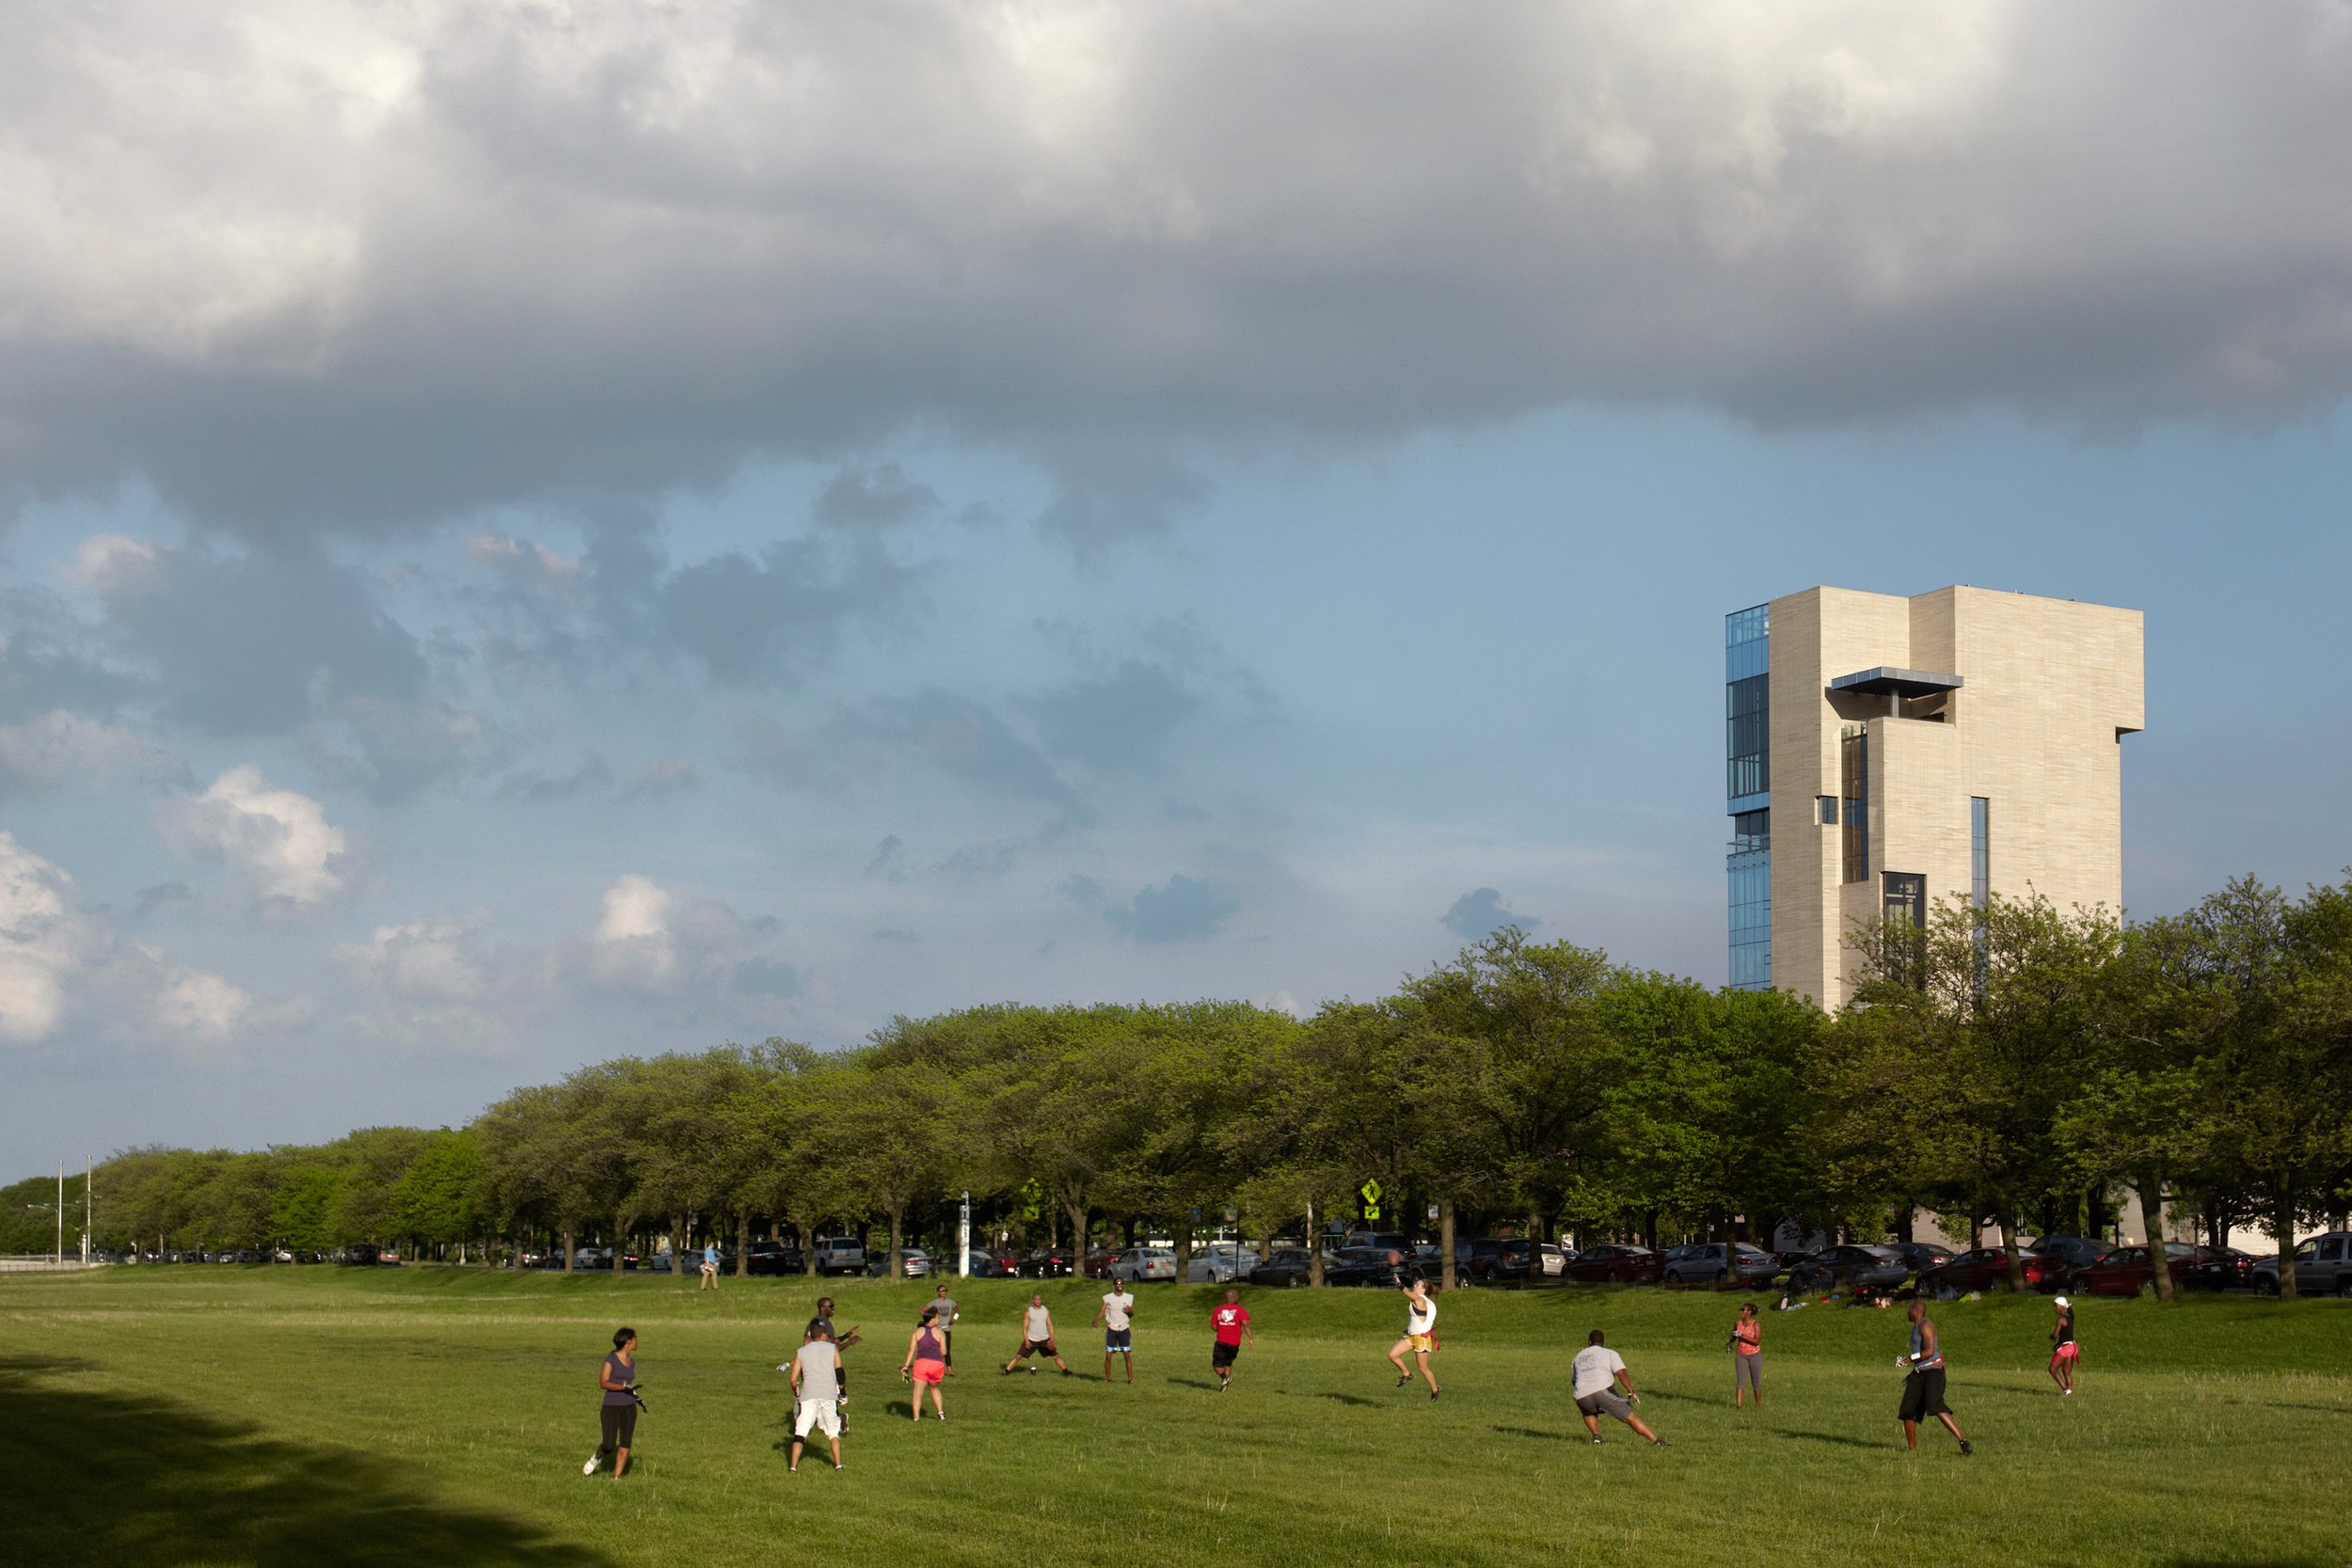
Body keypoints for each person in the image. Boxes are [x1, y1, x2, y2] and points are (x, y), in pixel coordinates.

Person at [1897, 1299, 1973, 1454]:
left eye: (1909, 1309)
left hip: (1934, 1372)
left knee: (1934, 1404)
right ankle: (1912, 1450)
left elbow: (1929, 1352)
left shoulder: (1927, 1326)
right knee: (1907, 1411)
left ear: (1916, 1311)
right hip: (1919, 1373)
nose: (1907, 1312)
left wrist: (1909, 1358)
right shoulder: (1915, 1328)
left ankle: (1963, 1442)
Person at [1570, 1329, 1667, 1447]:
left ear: (1589, 1341)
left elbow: (1574, 1380)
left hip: (1581, 1395)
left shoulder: (1578, 1357)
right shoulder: (1610, 1353)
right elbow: (1621, 1373)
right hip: (1602, 1390)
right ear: (1603, 1342)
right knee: (1631, 1417)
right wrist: (1630, 1390)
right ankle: (1656, 1441)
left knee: (1588, 1412)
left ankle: (1596, 1437)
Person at [585, 1326, 640, 1478]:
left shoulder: (632, 1362)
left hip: (629, 1406)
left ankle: (616, 1479)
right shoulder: (611, 1359)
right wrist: (622, 1387)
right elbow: (603, 1382)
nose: (637, 1341)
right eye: (635, 1338)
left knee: (625, 1442)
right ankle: (596, 1458)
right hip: (611, 1407)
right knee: (609, 1445)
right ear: (628, 1341)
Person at [789, 1323, 845, 1471]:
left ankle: (793, 1467)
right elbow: (839, 1371)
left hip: (808, 1395)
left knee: (800, 1433)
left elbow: (793, 1379)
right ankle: (838, 1465)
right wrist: (842, 1391)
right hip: (828, 1394)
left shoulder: (801, 1351)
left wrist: (797, 1395)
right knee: (833, 1432)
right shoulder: (832, 1348)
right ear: (823, 1335)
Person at [807, 1297, 862, 1433]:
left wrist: (846, 1336)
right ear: (822, 1308)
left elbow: (831, 1343)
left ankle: (838, 1419)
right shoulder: (824, 1323)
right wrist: (849, 1342)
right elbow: (831, 1346)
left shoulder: (816, 1322)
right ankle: (839, 1418)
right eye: (830, 1306)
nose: (833, 1309)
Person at [1386, 1275, 1440, 1398]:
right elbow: (1420, 1318)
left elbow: (1406, 1292)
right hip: (1412, 1336)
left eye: (1418, 1285)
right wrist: (1410, 1328)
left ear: (1423, 1290)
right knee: (1392, 1355)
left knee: (1423, 1368)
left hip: (1422, 1339)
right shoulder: (1424, 1301)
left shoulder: (1420, 1299)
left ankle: (1435, 1389)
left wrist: (1399, 1283)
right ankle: (1406, 1373)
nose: (1415, 1285)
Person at [1003, 1292, 1073, 1375]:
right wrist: (1026, 1340)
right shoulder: (1029, 1312)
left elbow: (1050, 1325)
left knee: (1056, 1356)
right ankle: (1006, 1371)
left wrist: (1053, 1339)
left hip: (1045, 1339)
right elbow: (1025, 1327)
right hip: (1031, 1339)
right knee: (1018, 1356)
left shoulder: (1045, 1310)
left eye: (1039, 1299)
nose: (1038, 1301)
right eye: (1036, 1299)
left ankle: (1066, 1372)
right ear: (1032, 1301)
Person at [901, 1306, 949, 1420]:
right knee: (934, 1388)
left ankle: (916, 1418)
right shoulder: (940, 1333)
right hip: (936, 1365)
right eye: (938, 1317)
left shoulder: (917, 1332)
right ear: (932, 1319)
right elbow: (943, 1352)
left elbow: (911, 1350)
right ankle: (940, 1413)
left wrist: (906, 1366)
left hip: (921, 1364)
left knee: (917, 1393)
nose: (939, 1320)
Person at [1093, 1279, 1137, 1383]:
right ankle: (1107, 1378)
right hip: (1112, 1328)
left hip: (1124, 1328)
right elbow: (1102, 1311)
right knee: (1108, 1355)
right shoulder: (1108, 1298)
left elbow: (1131, 1314)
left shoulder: (1129, 1297)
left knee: (1126, 1353)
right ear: (1114, 1285)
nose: (1119, 1285)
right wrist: (1095, 1320)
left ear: (1123, 1285)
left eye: (1121, 1283)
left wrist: (1129, 1310)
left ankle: (1130, 1379)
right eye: (1117, 1283)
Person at [1210, 1289, 1253, 1392]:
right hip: (1234, 1344)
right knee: (1227, 1364)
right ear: (1235, 1298)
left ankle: (1226, 1378)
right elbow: (1245, 1324)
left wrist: (1221, 1328)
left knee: (1217, 1365)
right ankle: (1224, 1387)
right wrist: (1251, 1338)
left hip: (1221, 1342)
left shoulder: (1218, 1309)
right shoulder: (1240, 1309)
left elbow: (1213, 1326)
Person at [1731, 1302, 1763, 1408]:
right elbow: (1734, 1335)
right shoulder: (1737, 1323)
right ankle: (1738, 1407)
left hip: (1755, 1355)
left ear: (1749, 1312)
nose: (1741, 1312)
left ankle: (1758, 1406)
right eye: (1741, 1310)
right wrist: (1730, 1342)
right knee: (1740, 1381)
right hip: (1741, 1355)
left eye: (1743, 1310)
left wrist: (1743, 1336)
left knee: (1756, 1380)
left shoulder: (1756, 1324)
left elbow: (1756, 1341)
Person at [2048, 1295, 2079, 1395]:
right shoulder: (2070, 1317)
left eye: (2056, 1306)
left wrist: (2052, 1336)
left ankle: (2065, 1389)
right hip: (2072, 1347)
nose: (2054, 1308)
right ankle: (2069, 1390)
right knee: (2067, 1372)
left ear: (2062, 1306)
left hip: (2065, 1348)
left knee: (2052, 1369)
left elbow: (2055, 1334)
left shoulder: (2061, 1319)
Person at [931, 1282, 960, 1371]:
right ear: (938, 1292)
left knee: (947, 1351)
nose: (944, 1292)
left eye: (945, 1290)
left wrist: (953, 1320)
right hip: (937, 1330)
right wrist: (930, 1321)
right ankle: (936, 1368)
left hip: (946, 1330)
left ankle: (950, 1371)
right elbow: (922, 1311)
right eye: (941, 1290)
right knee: (936, 1351)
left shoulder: (950, 1302)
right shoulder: (935, 1303)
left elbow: (957, 1311)